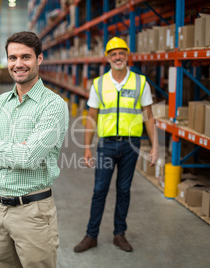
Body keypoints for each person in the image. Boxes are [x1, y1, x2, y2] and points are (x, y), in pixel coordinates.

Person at [0, 31, 69, 267]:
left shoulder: (53, 105)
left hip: (32, 212)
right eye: (12, 58)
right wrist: (14, 153)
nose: (18, 64)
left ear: (39, 59)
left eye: (26, 57)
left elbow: (29, 157)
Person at [74, 37, 158, 253]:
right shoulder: (99, 84)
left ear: (127, 56)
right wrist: (86, 148)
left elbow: (148, 116)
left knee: (124, 190)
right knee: (99, 190)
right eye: (113, 54)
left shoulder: (141, 82)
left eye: (121, 53)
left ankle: (119, 234)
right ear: (108, 58)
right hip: (107, 145)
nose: (118, 57)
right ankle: (91, 235)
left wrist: (155, 147)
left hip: (131, 146)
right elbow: (91, 117)